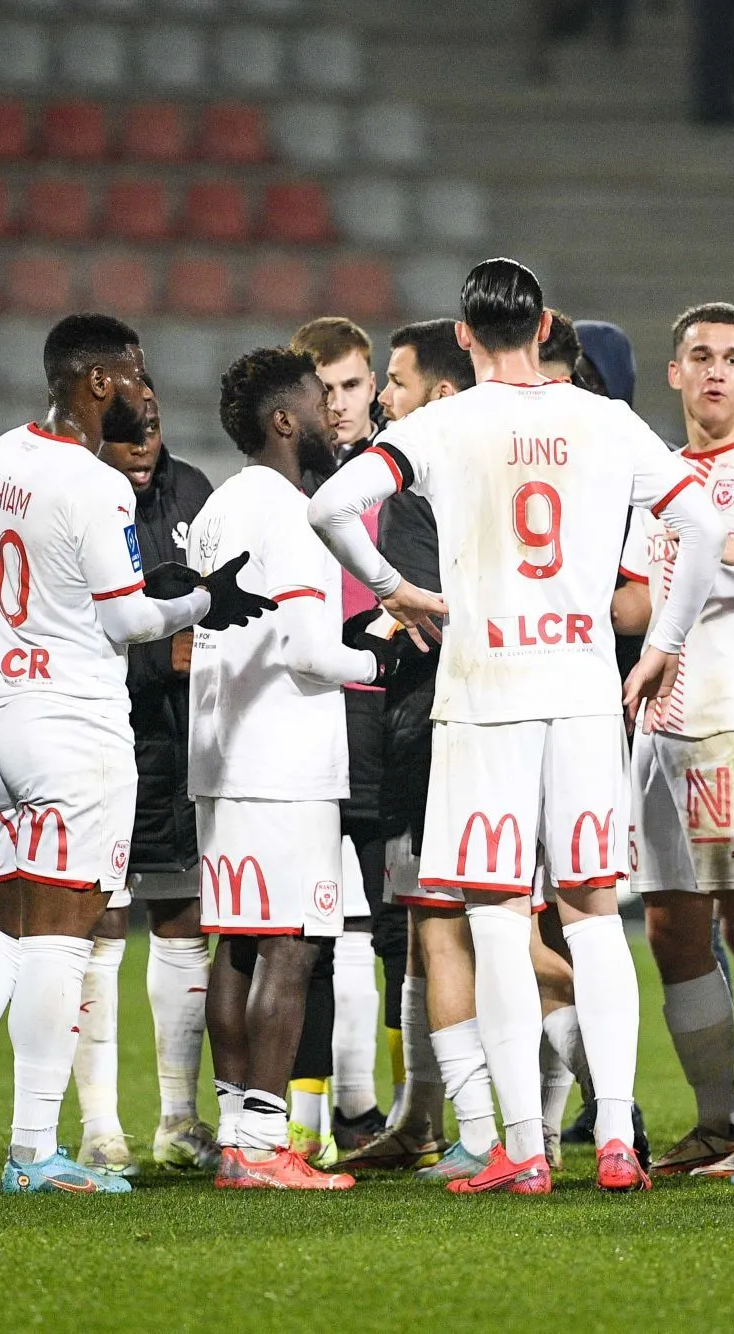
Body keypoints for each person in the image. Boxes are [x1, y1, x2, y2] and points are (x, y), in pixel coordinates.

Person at [309, 257, 725, 1194]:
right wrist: (662, 642)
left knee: (496, 922)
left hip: (483, 689)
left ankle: (524, 1151)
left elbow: (328, 505)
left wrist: (393, 590)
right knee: (591, 916)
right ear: (542, 330)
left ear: (462, 338)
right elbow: (697, 525)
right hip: (581, 691)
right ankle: (616, 1139)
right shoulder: (603, 417)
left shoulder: (439, 422)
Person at [0, 315, 272, 1195]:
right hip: (72, 728)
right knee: (63, 940)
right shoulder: (97, 487)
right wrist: (203, 601)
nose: (142, 391)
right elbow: (127, 621)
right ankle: (31, 1152)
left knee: (10, 932)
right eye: (133, 376)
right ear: (98, 382)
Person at [611, 302, 734, 1177]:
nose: (716, 371)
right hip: (659, 729)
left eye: (733, 357)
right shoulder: (649, 475)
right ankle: (715, 1123)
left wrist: (730, 550)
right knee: (669, 929)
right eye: (699, 355)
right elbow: (628, 605)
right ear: (674, 373)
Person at [195, 349, 386, 1190]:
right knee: (292, 951)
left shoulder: (219, 506)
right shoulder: (292, 511)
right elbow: (309, 649)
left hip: (224, 754)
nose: (331, 416)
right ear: (283, 420)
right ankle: (268, 1147)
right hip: (284, 761)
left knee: (236, 947)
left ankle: (240, 1130)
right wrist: (378, 661)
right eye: (317, 401)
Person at [336, 319, 497, 1177]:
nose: (382, 399)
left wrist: (381, 613)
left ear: (438, 392)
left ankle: (483, 1131)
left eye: (392, 382)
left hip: (434, 723)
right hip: (499, 716)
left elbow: (418, 617)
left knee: (448, 924)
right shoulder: (505, 462)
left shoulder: (417, 481)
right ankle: (420, 1117)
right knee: (428, 919)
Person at [82, 378, 221, 1174]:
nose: (143, 443)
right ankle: (100, 1126)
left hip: (170, 744)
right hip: (100, 736)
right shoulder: (80, 494)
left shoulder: (192, 492)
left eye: (154, 428)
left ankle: (177, 1118)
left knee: (180, 919)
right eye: (128, 429)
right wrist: (153, 655)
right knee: (97, 924)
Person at [291, 316, 391, 1157]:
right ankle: (325, 1114)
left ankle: (400, 1111)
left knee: (396, 920)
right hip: (309, 711)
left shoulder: (403, 478)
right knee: (315, 924)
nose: (339, 404)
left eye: (353, 385)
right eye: (323, 389)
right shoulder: (278, 486)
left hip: (389, 712)